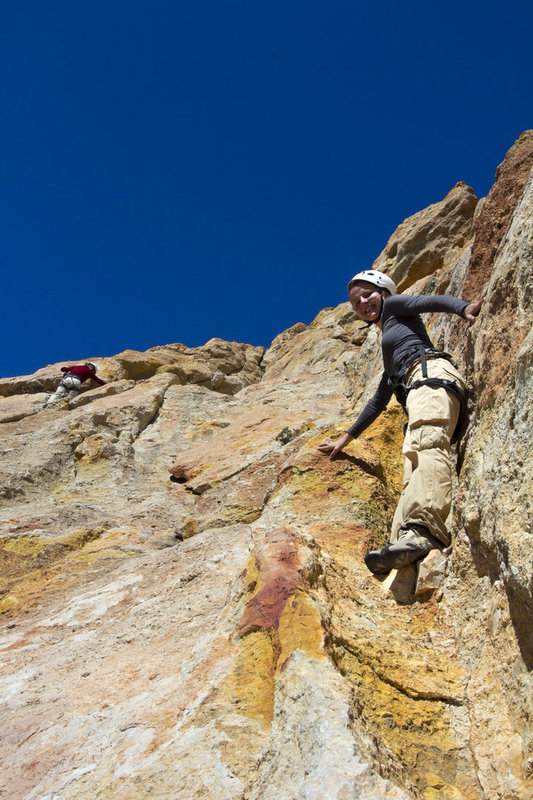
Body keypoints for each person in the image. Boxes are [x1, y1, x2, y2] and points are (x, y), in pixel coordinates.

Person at [318, 269, 485, 575]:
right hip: (416, 387)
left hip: (429, 378)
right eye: (356, 303)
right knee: (412, 468)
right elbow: (379, 400)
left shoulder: (394, 307)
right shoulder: (390, 345)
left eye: (367, 294)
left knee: (427, 446)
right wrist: (346, 439)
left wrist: (463, 308)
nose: (363, 304)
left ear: (383, 290)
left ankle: (424, 530)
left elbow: (430, 301)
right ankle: (402, 546)